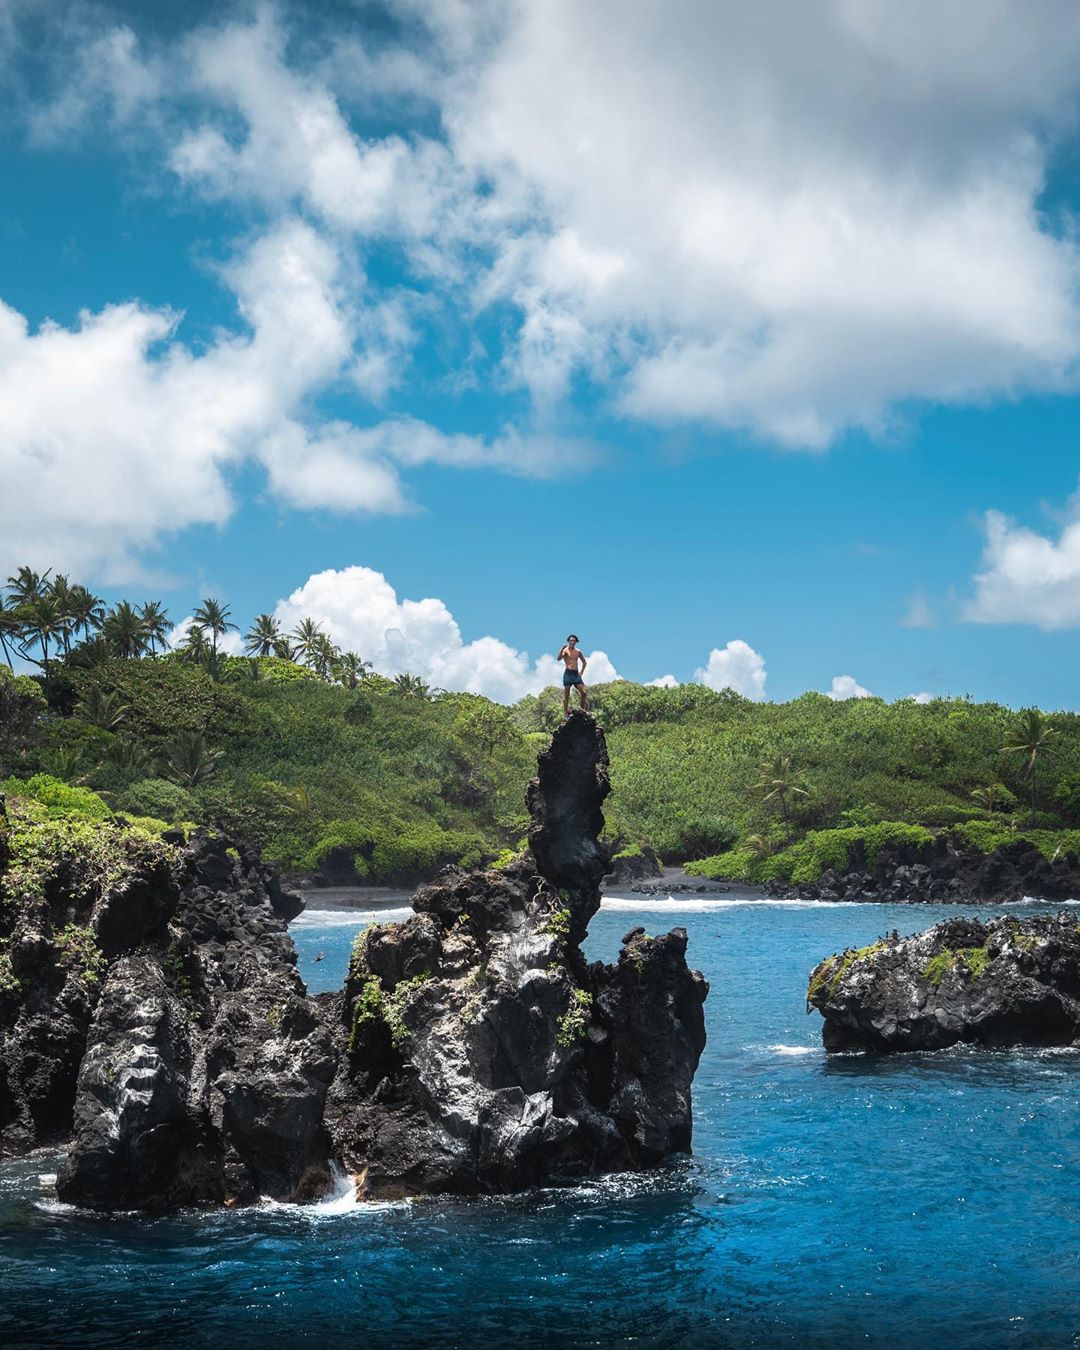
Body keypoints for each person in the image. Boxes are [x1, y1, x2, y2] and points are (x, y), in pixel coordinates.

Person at [558, 634, 588, 716]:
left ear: (576, 642)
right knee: (566, 694)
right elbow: (558, 658)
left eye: (574, 641)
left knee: (584, 693)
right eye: (571, 640)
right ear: (568, 641)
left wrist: (581, 672)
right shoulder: (565, 650)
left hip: (576, 674)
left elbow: (584, 662)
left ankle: (582, 710)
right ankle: (565, 713)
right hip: (568, 673)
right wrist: (561, 649)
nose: (572, 642)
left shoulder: (578, 651)